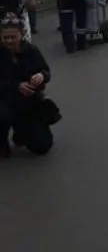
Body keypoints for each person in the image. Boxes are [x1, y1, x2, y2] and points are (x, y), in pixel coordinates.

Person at [0, 13, 60, 157]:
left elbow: (46, 71)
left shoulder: (32, 51)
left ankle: (20, 133)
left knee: (42, 146)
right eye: (5, 37)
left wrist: (42, 76)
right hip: (4, 102)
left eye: (13, 37)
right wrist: (16, 86)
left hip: (28, 104)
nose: (9, 40)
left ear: (21, 35)